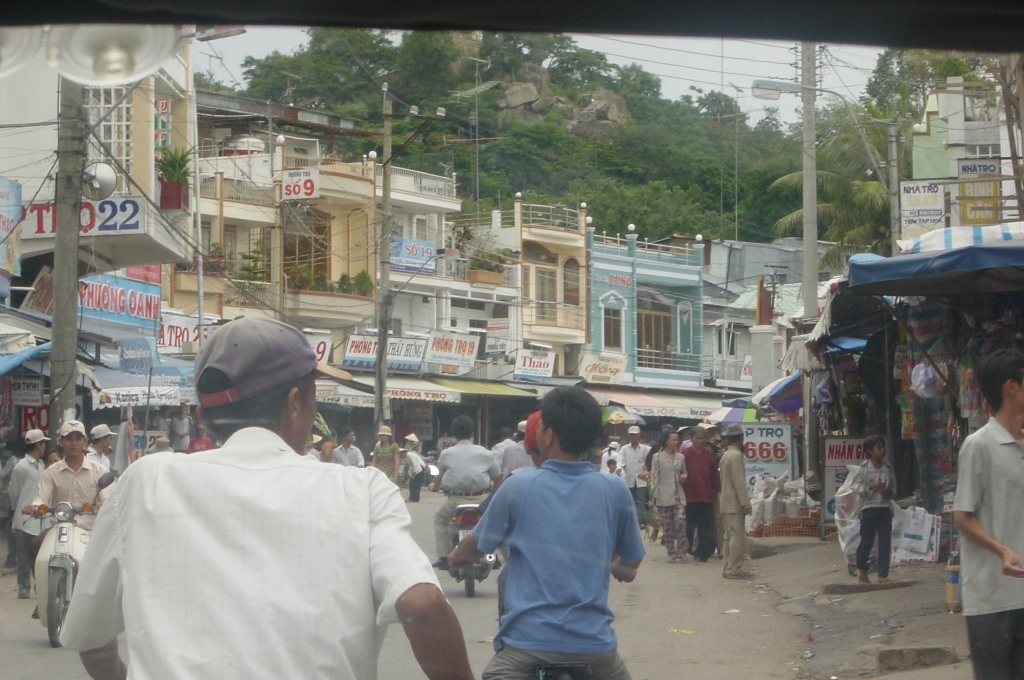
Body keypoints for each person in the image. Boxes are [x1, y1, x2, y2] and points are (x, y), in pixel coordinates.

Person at [59, 315, 473, 680]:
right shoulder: (361, 489)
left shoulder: (144, 481)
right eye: (314, 397)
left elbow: (91, 638)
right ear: (295, 404)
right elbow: (420, 602)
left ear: (203, 415)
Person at [449, 386, 645, 680]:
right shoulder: (614, 489)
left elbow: (473, 547)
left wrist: (454, 558)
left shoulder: (518, 485)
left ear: (549, 435)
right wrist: (614, 565)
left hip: (527, 647)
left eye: (539, 426)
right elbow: (630, 566)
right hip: (595, 649)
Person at [953, 349, 1024, 680]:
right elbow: (962, 515)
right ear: (1011, 388)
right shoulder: (978, 445)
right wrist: (1001, 550)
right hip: (991, 600)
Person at [429, 415, 500, 570]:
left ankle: (443, 556)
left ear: (454, 434)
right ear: (472, 434)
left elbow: (439, 479)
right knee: (493, 522)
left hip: (455, 500)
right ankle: (492, 555)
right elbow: (497, 478)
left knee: (440, 520)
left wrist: (433, 487)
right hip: (481, 499)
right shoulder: (485, 453)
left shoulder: (446, 454)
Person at [25, 420, 107, 532]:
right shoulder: (51, 472)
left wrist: (103, 504)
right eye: (68, 439)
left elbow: (109, 498)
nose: (73, 443)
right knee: (36, 544)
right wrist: (35, 506)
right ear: (60, 442)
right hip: (59, 530)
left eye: (78, 438)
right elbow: (41, 497)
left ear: (85, 441)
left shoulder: (99, 471)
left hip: (90, 533)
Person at [7, 429, 48, 599]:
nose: (44, 447)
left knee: (39, 558)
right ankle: (24, 587)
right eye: (43, 443)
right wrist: (20, 508)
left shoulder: (41, 465)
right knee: (23, 558)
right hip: (24, 519)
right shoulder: (21, 467)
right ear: (38, 445)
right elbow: (13, 493)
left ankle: (40, 586)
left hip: (41, 519)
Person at [641, 428, 689, 563]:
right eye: (673, 439)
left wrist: (684, 476)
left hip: (678, 495)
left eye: (677, 440)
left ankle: (682, 549)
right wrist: (653, 497)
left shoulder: (681, 457)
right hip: (663, 496)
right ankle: (671, 553)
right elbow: (655, 477)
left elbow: (684, 471)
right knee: (667, 526)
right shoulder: (657, 457)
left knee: (680, 522)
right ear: (666, 441)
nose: (676, 442)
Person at [855, 434, 896, 584]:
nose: (882, 450)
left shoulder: (888, 468)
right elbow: (855, 486)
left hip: (884, 508)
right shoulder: (864, 468)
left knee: (885, 542)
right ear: (870, 450)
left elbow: (894, 488)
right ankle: (862, 570)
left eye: (883, 447)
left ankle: (883, 576)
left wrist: (888, 492)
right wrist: (870, 487)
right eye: (879, 447)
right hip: (868, 508)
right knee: (867, 541)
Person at [719, 423, 753, 579]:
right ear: (741, 438)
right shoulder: (736, 456)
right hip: (734, 502)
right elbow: (739, 482)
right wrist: (745, 502)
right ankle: (734, 568)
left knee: (729, 535)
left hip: (725, 501)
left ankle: (727, 567)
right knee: (737, 536)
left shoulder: (726, 455)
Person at [682, 426, 721, 563]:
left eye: (701, 438)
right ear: (691, 439)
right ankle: (689, 550)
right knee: (690, 526)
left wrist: (718, 490)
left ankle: (703, 553)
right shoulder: (685, 454)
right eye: (696, 438)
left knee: (707, 527)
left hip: (706, 495)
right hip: (690, 496)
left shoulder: (709, 454)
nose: (699, 441)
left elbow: (715, 474)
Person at [620, 426, 650, 528]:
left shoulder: (646, 449)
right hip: (629, 478)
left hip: (642, 479)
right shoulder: (624, 449)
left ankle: (641, 521)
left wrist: (647, 472)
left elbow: (649, 462)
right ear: (628, 436)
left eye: (635, 435)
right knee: (631, 500)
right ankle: (632, 520)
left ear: (639, 435)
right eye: (631, 435)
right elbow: (621, 462)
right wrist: (620, 470)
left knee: (641, 499)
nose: (633, 437)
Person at [404, 434, 427, 502]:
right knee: (416, 484)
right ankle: (415, 497)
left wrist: (413, 474)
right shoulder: (413, 453)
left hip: (418, 469)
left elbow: (415, 464)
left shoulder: (410, 454)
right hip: (419, 468)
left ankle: (412, 497)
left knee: (413, 484)